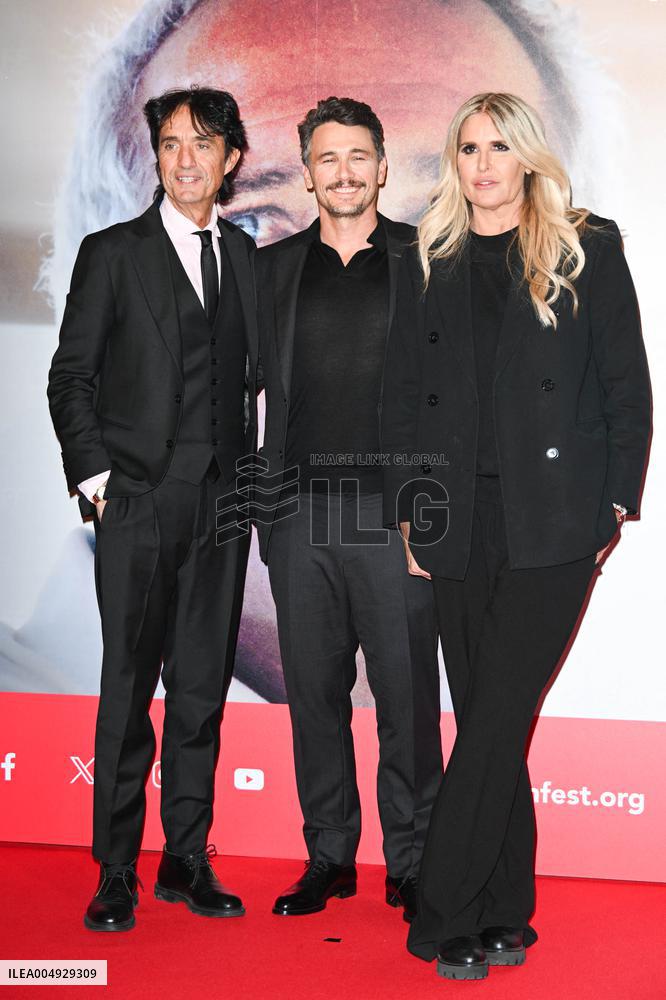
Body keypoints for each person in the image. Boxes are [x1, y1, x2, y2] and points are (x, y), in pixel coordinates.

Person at [381, 92, 651, 979]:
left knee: (494, 717)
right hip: (458, 523)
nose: (484, 162)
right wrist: (416, 513)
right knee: (496, 723)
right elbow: (403, 404)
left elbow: (627, 389)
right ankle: (505, 910)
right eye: (468, 148)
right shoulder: (431, 256)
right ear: (453, 163)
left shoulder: (586, 244)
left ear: (528, 155)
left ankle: (443, 910)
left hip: (555, 524)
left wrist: (613, 507)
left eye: (500, 145)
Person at [48, 86, 260, 931]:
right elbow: (72, 377)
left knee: (202, 693)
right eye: (171, 144)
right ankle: (113, 871)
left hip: (222, 511)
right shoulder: (113, 253)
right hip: (136, 505)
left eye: (202, 145)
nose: (185, 160)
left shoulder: (245, 257)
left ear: (230, 159)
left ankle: (184, 859)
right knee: (128, 691)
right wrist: (99, 485)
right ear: (156, 156)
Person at [255, 97, 443, 918]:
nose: (344, 172)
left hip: (394, 523)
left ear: (382, 164)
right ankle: (328, 855)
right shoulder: (270, 272)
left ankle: (412, 860)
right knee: (316, 702)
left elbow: (453, 402)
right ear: (308, 171)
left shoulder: (429, 260)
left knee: (406, 704)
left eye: (358, 155)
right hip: (298, 519)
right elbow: (235, 396)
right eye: (327, 158)